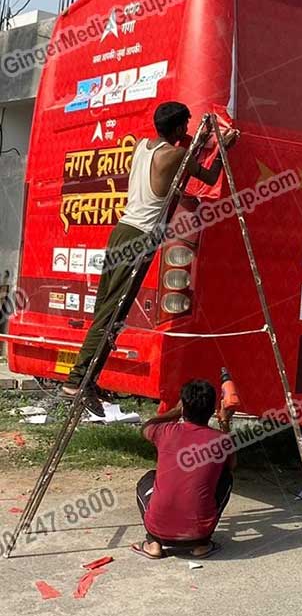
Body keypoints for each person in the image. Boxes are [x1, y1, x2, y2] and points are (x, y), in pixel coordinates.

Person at [61, 102, 239, 415]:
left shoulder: (143, 147)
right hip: (140, 238)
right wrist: (223, 147)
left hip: (121, 231)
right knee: (112, 313)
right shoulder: (178, 155)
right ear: (179, 129)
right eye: (185, 126)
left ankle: (87, 376)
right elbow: (208, 177)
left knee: (105, 308)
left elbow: (178, 162)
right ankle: (78, 380)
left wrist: (198, 140)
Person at [132, 378, 235, 559]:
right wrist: (225, 422)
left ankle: (153, 543)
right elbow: (232, 464)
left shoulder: (166, 431)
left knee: (148, 478)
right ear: (212, 410)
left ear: (184, 407)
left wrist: (175, 411)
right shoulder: (220, 440)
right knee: (226, 478)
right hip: (199, 533)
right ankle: (202, 546)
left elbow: (146, 427)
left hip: (158, 528)